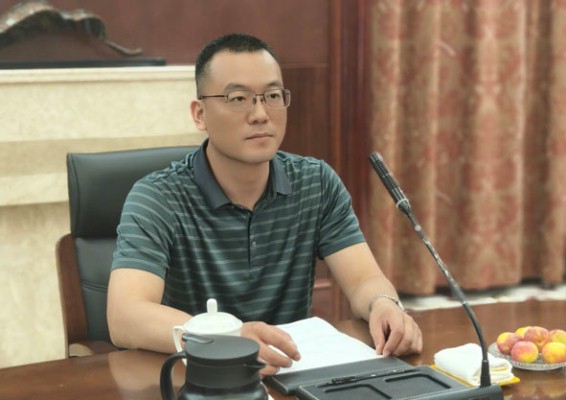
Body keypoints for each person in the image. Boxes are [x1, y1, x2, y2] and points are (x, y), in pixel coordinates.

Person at [108, 33, 422, 376]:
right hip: (200, 382)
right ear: (200, 114)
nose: (260, 114)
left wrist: (384, 305)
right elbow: (125, 316)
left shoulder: (316, 183)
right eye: (238, 98)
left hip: (291, 374)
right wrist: (225, 341)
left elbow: (363, 280)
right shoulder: (157, 197)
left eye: (272, 96)